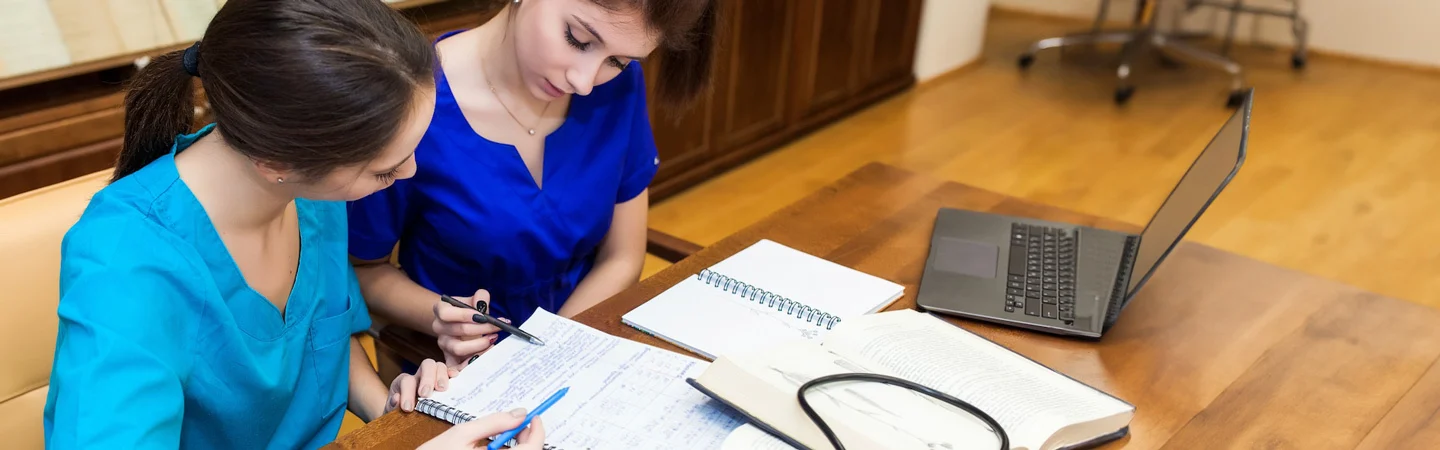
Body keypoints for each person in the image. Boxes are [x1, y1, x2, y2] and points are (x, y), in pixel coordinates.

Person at [42, 1, 542, 448]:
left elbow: (324, 339)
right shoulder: (124, 263)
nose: (408, 174)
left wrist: (392, 405)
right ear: (275, 160)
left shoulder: (308, 191)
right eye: (385, 170)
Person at [348, 0, 717, 366]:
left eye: (618, 61)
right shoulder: (411, 102)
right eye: (577, 38)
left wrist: (553, 346)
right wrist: (440, 315)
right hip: (449, 365)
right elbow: (363, 270)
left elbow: (621, 256)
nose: (584, 82)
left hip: (580, 344)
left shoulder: (619, 88)